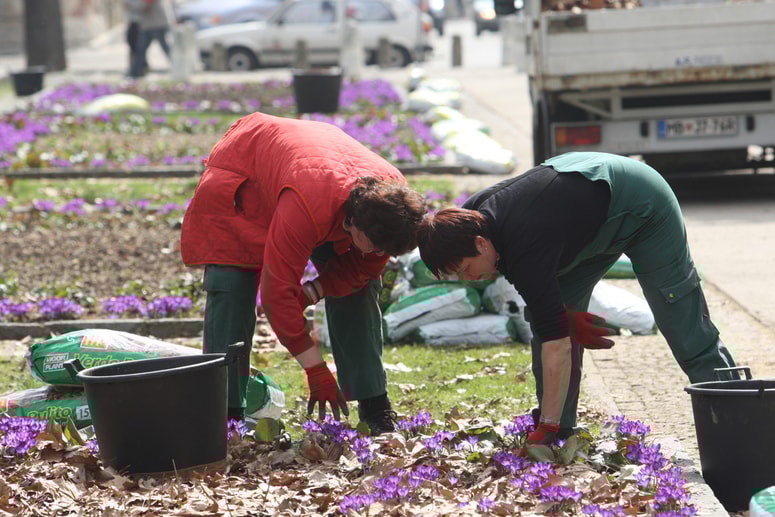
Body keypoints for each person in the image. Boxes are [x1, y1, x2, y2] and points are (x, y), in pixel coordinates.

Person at [416, 151, 739, 445]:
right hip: (587, 224)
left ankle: (734, 415)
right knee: (548, 325)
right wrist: (558, 316)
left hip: (641, 202)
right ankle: (561, 432)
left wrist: (546, 425)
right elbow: (546, 319)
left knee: (679, 318)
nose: (469, 279)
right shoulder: (467, 219)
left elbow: (556, 345)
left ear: (480, 244)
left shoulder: (525, 243)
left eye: (466, 269)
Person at [180, 112, 427, 434]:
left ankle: (375, 406)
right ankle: (224, 417)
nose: (379, 255)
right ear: (353, 224)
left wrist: (312, 292)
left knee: (360, 290)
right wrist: (315, 370)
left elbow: (361, 269)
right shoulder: (307, 207)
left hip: (313, 170)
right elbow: (276, 294)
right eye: (376, 247)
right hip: (249, 169)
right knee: (231, 289)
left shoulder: (392, 202)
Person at [128, 0, 174, 79]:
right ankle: (134, 73)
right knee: (141, 51)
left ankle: (134, 73)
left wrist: (130, 4)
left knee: (166, 49)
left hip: (156, 25)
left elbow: (142, 7)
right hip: (151, 25)